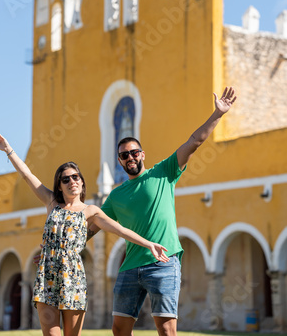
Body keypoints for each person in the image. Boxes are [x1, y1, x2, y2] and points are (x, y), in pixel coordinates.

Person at [87, 86, 237, 336]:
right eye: (124, 155)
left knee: (167, 330)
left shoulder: (163, 172)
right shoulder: (115, 196)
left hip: (163, 263)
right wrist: (62, 248)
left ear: (142, 154)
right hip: (129, 266)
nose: (130, 157)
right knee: (119, 330)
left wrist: (217, 114)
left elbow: (194, 142)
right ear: (120, 160)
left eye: (134, 152)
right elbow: (94, 226)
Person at [0, 134, 169, 336]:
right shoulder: (51, 202)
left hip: (72, 278)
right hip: (47, 276)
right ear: (59, 185)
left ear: (82, 183)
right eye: (65, 179)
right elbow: (27, 175)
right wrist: (9, 150)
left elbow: (121, 230)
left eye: (75, 177)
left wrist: (149, 244)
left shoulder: (91, 212)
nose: (71, 181)